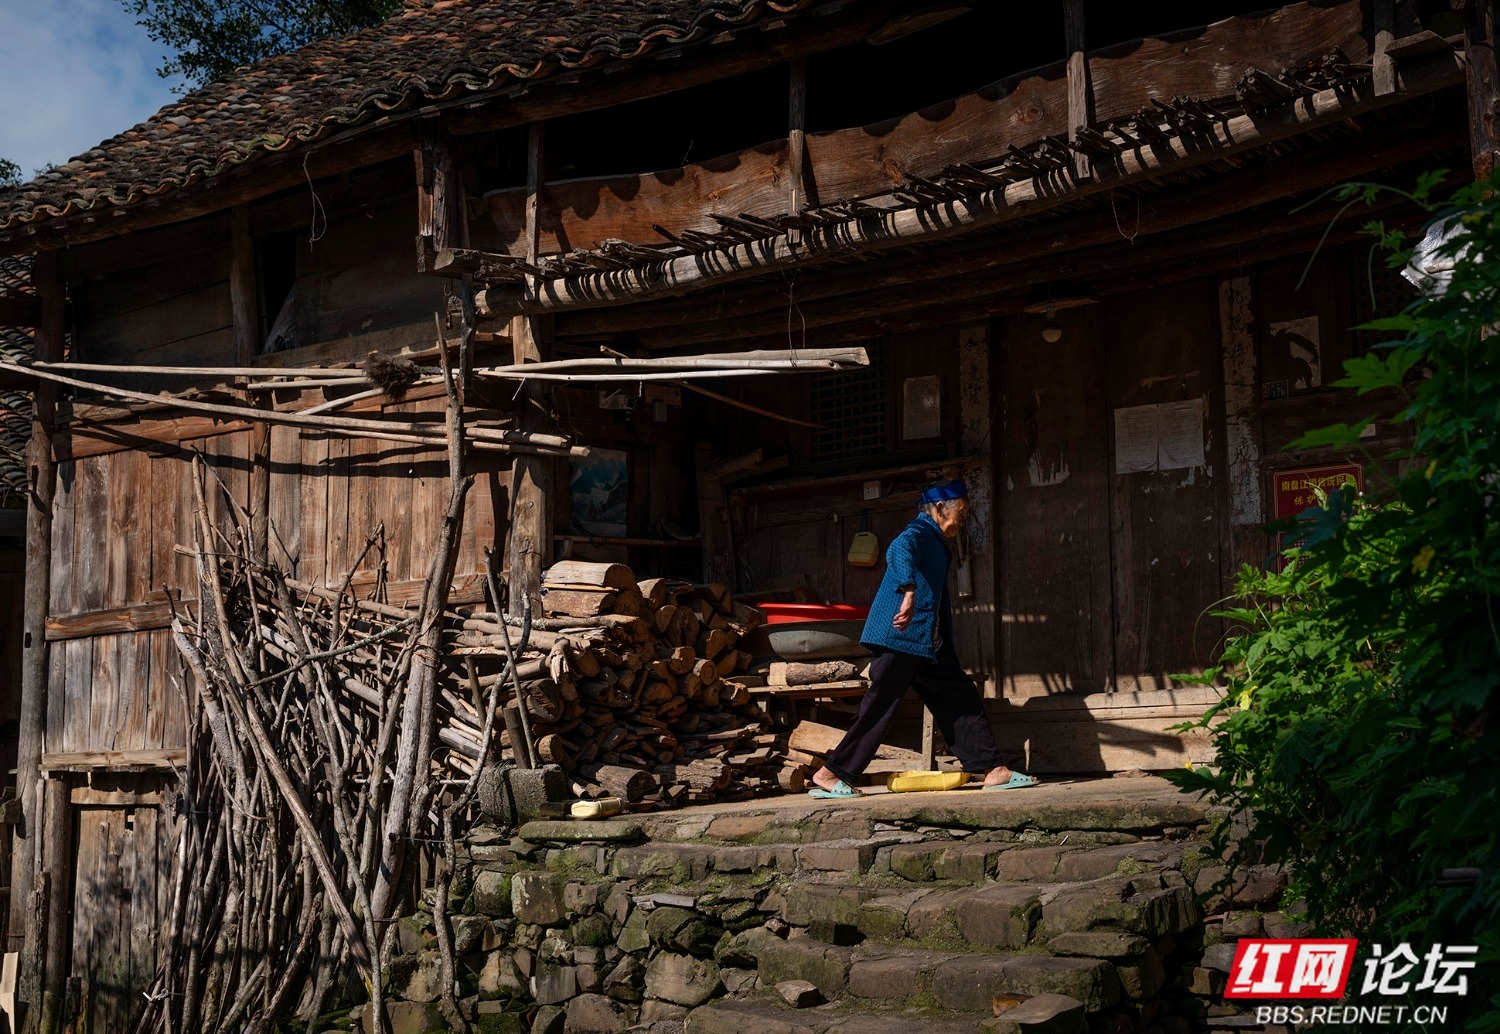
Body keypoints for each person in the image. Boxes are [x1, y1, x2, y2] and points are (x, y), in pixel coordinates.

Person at [808, 479, 1037, 798]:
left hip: (927, 643)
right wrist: (908, 590)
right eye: (962, 511)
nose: (963, 518)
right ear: (940, 508)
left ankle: (993, 769)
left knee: (960, 697)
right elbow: (897, 549)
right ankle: (830, 774)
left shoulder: (936, 537)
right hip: (901, 637)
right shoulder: (920, 531)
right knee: (880, 706)